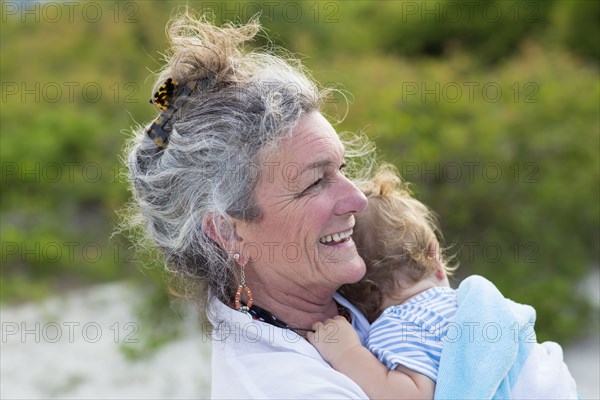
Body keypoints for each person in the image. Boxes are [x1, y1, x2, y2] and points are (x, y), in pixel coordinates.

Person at [124, 10, 375, 398]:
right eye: (315, 182)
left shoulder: (362, 273)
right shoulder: (289, 388)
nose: (358, 199)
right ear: (228, 231)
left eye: (342, 168)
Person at [308, 165, 578, 399]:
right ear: (433, 253)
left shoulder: (399, 325)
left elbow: (413, 396)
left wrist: (347, 354)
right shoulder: (466, 305)